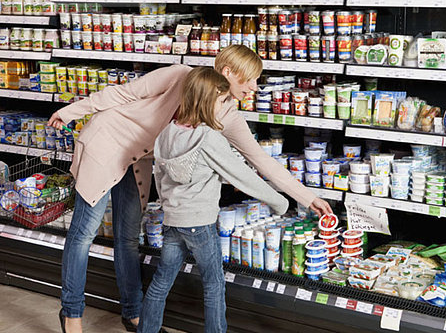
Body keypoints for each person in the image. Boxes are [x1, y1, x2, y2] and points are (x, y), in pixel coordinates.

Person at [50, 45, 332, 333]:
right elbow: (123, 93)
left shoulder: (228, 116)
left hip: (136, 161)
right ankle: (72, 313)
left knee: (128, 238)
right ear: (227, 73)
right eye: (248, 80)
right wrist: (72, 111)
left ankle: (134, 314)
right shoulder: (180, 76)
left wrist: (308, 198)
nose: (253, 88)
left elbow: (261, 161)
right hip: (108, 144)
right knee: (84, 234)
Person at [138, 68, 288, 333]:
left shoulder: (166, 134)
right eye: (221, 101)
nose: (223, 107)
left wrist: (168, 206)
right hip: (200, 224)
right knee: (214, 285)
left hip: (173, 221)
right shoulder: (208, 139)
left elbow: (159, 179)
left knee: (161, 281)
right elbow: (242, 176)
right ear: (207, 100)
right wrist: (278, 201)